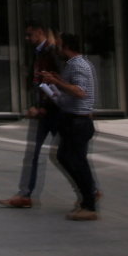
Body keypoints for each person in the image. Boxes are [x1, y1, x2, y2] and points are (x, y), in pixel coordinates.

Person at [0, 24, 63, 209]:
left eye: (30, 34)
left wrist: (43, 105)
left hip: (53, 110)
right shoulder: (39, 53)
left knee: (65, 154)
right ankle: (25, 194)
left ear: (41, 32)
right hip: (44, 110)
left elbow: (58, 82)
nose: (27, 38)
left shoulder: (50, 54)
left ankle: (90, 190)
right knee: (33, 154)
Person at [40, 33, 99, 222]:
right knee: (65, 157)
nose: (56, 51)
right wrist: (57, 81)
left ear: (67, 47)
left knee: (76, 160)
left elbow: (79, 92)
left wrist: (56, 82)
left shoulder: (78, 65)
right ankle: (87, 197)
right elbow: (71, 88)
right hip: (72, 120)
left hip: (78, 122)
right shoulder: (74, 64)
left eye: (58, 47)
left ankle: (89, 202)